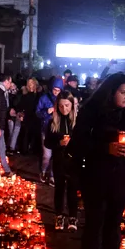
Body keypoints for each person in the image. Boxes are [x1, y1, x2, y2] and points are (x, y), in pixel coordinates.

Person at [71, 73, 125, 249]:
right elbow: (78, 145)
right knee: (95, 223)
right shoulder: (92, 113)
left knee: (114, 224)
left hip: (120, 178)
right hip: (96, 177)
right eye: (122, 92)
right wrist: (106, 148)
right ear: (111, 92)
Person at [45, 91, 79, 230]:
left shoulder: (77, 122)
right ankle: (59, 216)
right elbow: (47, 143)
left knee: (73, 189)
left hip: (74, 160)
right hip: (59, 159)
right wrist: (59, 143)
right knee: (59, 188)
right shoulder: (53, 122)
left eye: (67, 105)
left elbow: (85, 141)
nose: (64, 109)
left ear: (72, 105)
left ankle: (73, 217)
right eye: (61, 106)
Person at [37, 76, 63, 183]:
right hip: (46, 129)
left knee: (56, 155)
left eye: (58, 90)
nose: (56, 92)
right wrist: (46, 112)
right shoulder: (44, 98)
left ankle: (52, 175)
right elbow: (37, 112)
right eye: (54, 90)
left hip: (58, 131)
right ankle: (43, 171)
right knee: (47, 155)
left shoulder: (62, 99)